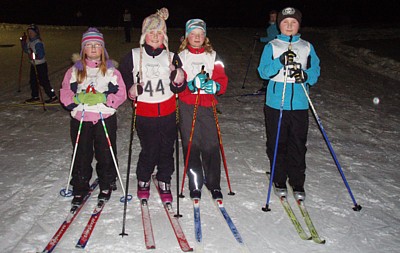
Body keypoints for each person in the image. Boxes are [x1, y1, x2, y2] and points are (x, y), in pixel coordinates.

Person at [119, 8, 186, 203]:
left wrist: (179, 80)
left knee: (167, 148)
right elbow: (121, 82)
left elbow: (179, 89)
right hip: (145, 112)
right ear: (144, 35)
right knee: (149, 148)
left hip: (167, 111)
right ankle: (143, 179)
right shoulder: (132, 55)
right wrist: (131, 90)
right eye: (151, 33)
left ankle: (164, 178)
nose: (155, 37)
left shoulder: (171, 55)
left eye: (159, 33)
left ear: (164, 36)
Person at [257, 7, 320, 201]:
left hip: (300, 103)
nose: (289, 26)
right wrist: (279, 62)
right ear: (279, 25)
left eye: (293, 22)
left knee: (298, 143)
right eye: (285, 22)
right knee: (277, 142)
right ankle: (279, 179)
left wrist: (306, 75)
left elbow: (315, 70)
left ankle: (297, 181)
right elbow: (263, 71)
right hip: (276, 103)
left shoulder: (306, 46)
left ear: (299, 25)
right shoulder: (273, 46)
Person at [60, 27, 127, 205]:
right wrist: (76, 99)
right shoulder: (75, 71)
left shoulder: (111, 71)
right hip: (81, 118)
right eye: (89, 45)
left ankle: (107, 181)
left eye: (97, 45)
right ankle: (80, 184)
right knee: (82, 153)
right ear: (83, 49)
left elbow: (122, 93)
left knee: (106, 152)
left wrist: (105, 98)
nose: (93, 48)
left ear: (103, 49)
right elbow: (65, 93)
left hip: (104, 117)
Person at [177, 19, 228, 200]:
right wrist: (190, 86)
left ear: (205, 36)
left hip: (207, 105)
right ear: (187, 36)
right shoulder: (181, 57)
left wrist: (215, 87)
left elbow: (222, 80)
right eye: (193, 34)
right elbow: (177, 83)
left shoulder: (213, 55)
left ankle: (213, 183)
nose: (197, 37)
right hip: (187, 105)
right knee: (192, 145)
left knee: (211, 144)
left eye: (200, 34)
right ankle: (195, 183)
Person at [20, 24, 58, 103]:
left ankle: (53, 96)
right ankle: (35, 96)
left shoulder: (38, 42)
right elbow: (26, 50)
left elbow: (40, 55)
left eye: (32, 32)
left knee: (44, 81)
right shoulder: (30, 42)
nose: (30, 34)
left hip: (41, 65)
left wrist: (33, 56)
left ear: (36, 33)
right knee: (33, 81)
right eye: (29, 32)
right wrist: (23, 41)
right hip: (34, 65)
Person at [256, 10, 279, 94]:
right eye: (271, 16)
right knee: (267, 66)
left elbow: (272, 39)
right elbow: (270, 38)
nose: (273, 18)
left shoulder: (279, 27)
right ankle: (266, 85)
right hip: (270, 50)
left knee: (273, 67)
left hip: (277, 50)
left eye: (274, 16)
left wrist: (260, 39)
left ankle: (269, 86)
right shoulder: (270, 27)